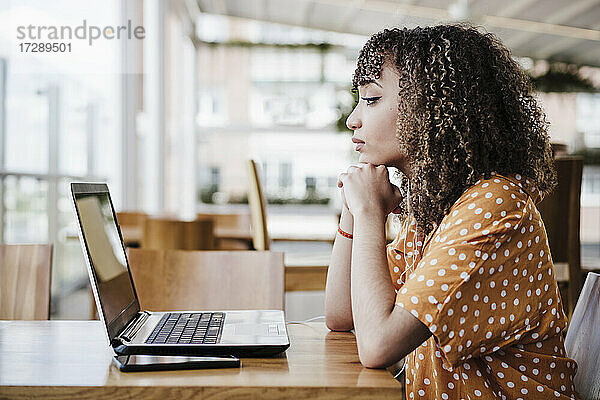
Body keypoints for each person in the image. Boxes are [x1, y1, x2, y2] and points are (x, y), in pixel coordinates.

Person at [325, 24, 581, 399]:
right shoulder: (437, 205)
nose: (354, 119)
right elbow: (341, 315)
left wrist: (368, 215)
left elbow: (378, 345)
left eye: (372, 99)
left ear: (432, 108)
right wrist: (355, 213)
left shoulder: (493, 205)